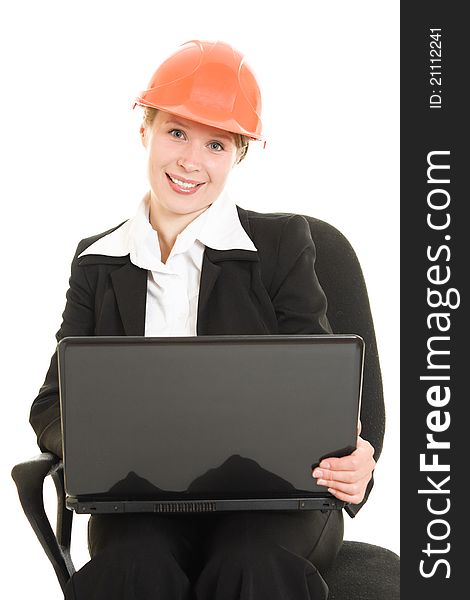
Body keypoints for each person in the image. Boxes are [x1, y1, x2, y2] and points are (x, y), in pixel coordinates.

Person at [29, 39, 377, 600]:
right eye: (176, 133)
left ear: (237, 154)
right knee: (133, 568)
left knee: (250, 564)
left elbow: (320, 388)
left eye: (215, 143)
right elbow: (51, 405)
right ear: (144, 130)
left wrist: (354, 455)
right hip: (142, 501)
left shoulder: (282, 245)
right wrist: (107, 448)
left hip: (270, 505)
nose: (191, 161)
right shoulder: (97, 261)